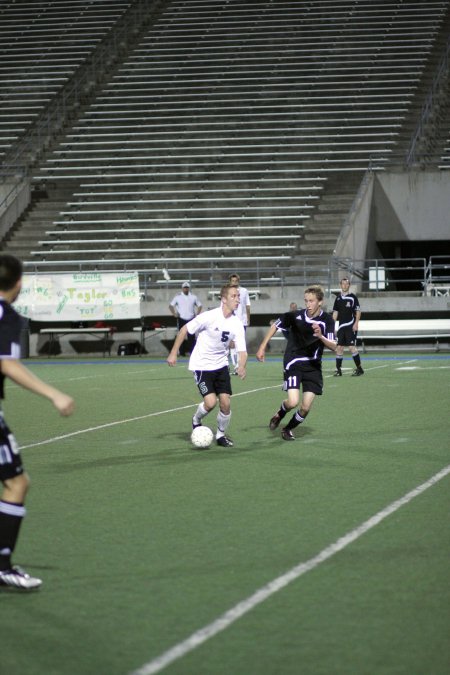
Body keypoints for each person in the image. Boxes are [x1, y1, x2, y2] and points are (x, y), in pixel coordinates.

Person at [0, 254, 75, 591]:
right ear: (18, 283)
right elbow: (8, 364)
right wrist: (54, 394)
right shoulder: (8, 316)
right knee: (17, 483)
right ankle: (3, 566)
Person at [167, 284, 247, 447]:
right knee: (211, 403)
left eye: (238, 296)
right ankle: (196, 419)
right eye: (234, 296)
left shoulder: (237, 323)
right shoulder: (208, 316)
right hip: (202, 365)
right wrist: (173, 353)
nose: (238, 299)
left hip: (221, 365)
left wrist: (242, 366)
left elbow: (242, 351)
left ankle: (220, 435)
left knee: (225, 403)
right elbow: (184, 330)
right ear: (224, 299)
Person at [256, 285, 336, 441]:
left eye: (312, 301)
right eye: (306, 301)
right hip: (293, 361)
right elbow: (275, 325)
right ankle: (280, 413)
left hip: (313, 366)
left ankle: (287, 429)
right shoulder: (295, 316)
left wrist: (320, 336)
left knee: (305, 408)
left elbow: (335, 347)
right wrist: (262, 346)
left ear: (320, 302)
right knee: (293, 402)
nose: (308, 305)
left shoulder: (327, 320)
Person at [332, 277, 364, 376]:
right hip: (341, 327)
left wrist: (356, 323)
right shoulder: (337, 298)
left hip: (351, 326)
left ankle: (359, 369)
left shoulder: (353, 297)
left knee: (351, 347)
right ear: (340, 285)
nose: (344, 285)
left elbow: (358, 312)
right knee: (339, 348)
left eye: (346, 284)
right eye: (343, 284)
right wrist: (332, 326)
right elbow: (335, 313)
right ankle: (338, 370)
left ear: (349, 285)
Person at [169, 281, 202, 356]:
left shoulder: (193, 297)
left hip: (191, 318)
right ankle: (181, 352)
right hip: (181, 318)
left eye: (187, 288)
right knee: (181, 336)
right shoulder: (178, 297)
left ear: (189, 288)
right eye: (184, 288)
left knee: (191, 337)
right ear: (182, 288)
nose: (186, 289)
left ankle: (192, 352)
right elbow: (171, 305)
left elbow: (199, 305)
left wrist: (197, 314)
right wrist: (174, 314)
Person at [228, 273, 251, 374]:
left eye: (236, 281)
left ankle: (239, 366)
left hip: (242, 321)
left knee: (240, 344)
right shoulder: (227, 291)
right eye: (232, 281)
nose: (234, 282)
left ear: (238, 281)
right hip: (230, 321)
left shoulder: (244, 291)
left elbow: (247, 305)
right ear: (230, 282)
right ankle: (234, 366)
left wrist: (248, 318)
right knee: (231, 344)